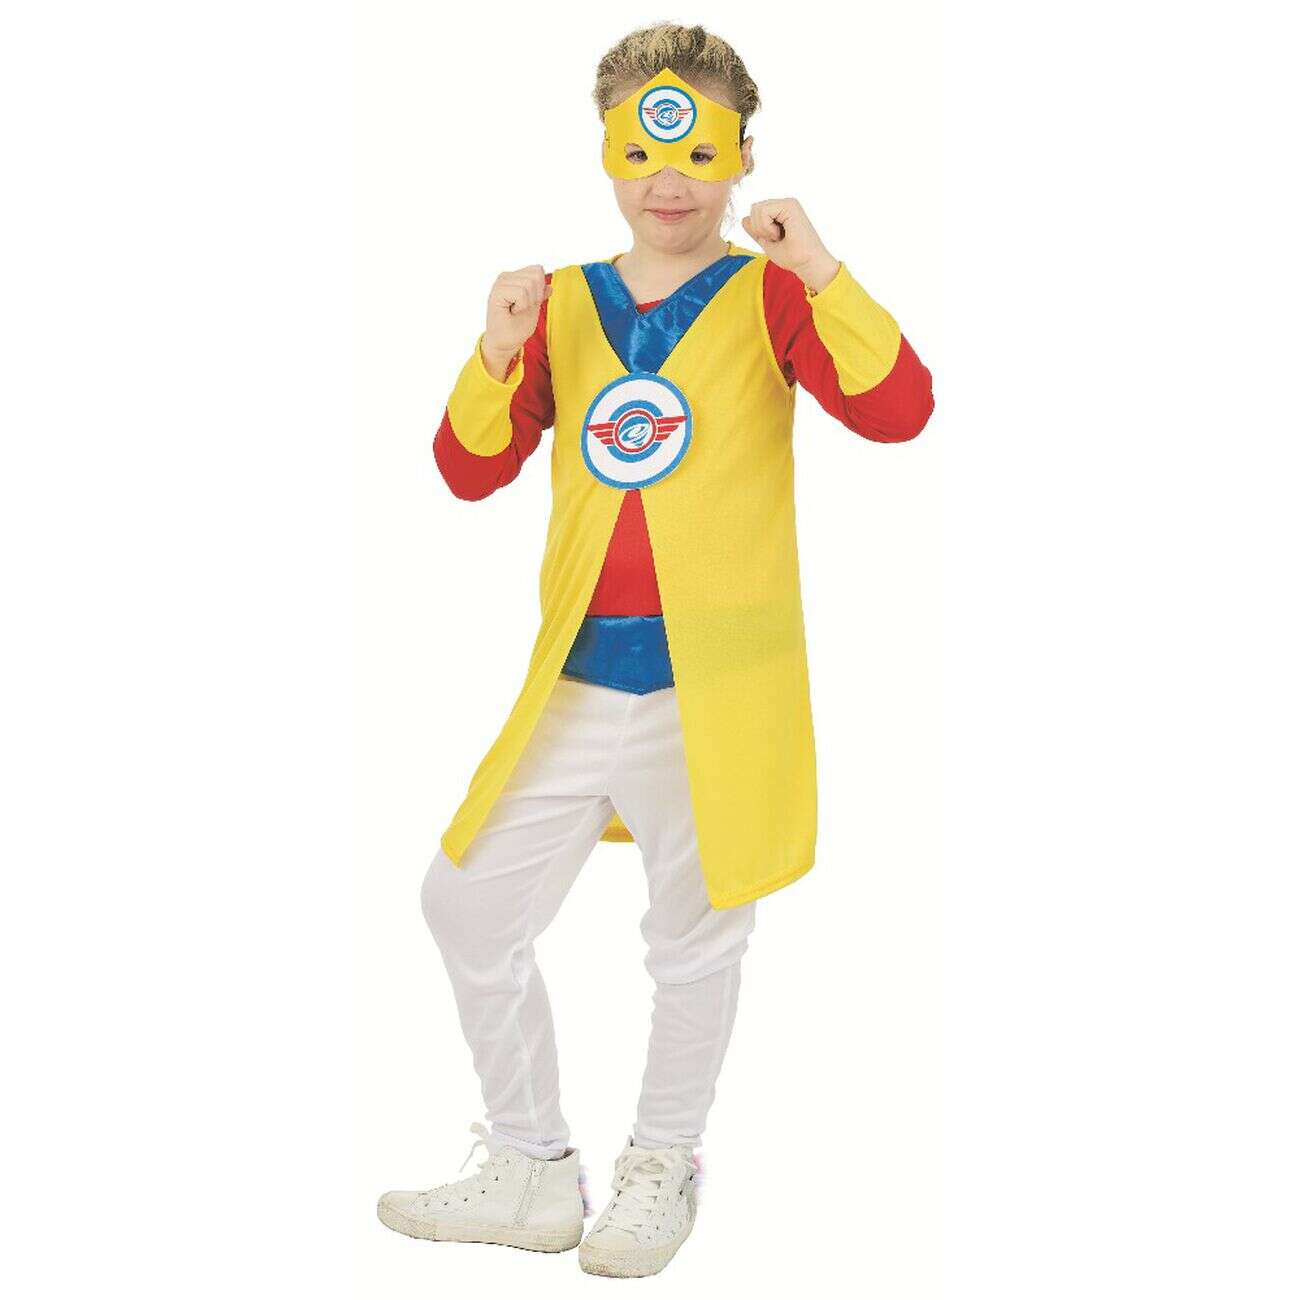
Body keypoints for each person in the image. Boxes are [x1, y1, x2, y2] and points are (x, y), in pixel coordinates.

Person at [378, 21, 934, 1279]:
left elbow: (898, 410)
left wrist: (821, 266)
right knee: (464, 903)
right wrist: (497, 349)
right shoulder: (562, 303)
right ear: (606, 156)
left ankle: (662, 1160)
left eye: (695, 151)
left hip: (714, 685)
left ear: (740, 156)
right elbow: (466, 472)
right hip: (578, 678)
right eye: (640, 152)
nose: (668, 181)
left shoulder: (770, 294)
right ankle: (530, 1164)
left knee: (694, 940)